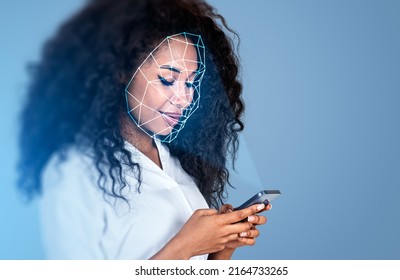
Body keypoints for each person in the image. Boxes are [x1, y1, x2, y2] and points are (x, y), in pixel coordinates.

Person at [18, 0, 271, 260]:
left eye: (190, 83)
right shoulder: (73, 172)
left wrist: (222, 247)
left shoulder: (176, 162)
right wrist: (186, 246)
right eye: (168, 79)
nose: (184, 99)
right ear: (122, 72)